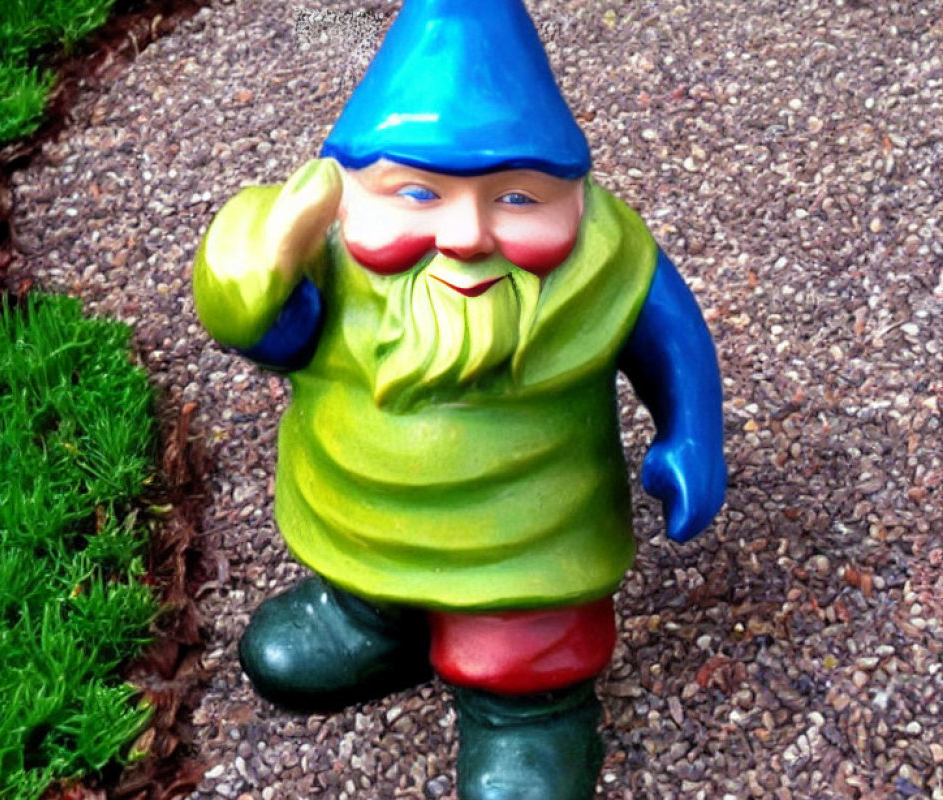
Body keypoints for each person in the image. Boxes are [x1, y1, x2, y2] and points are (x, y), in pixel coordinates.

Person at [192, 2, 726, 798]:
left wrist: (691, 435)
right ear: (351, 189)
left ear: (570, 192)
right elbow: (274, 335)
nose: (467, 234)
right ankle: (379, 621)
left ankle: (531, 714)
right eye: (418, 194)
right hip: (364, 512)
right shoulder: (332, 261)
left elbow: (674, 342)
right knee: (341, 598)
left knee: (525, 639)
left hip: (534, 537)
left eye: (516, 198)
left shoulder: (608, 261)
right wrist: (263, 275)